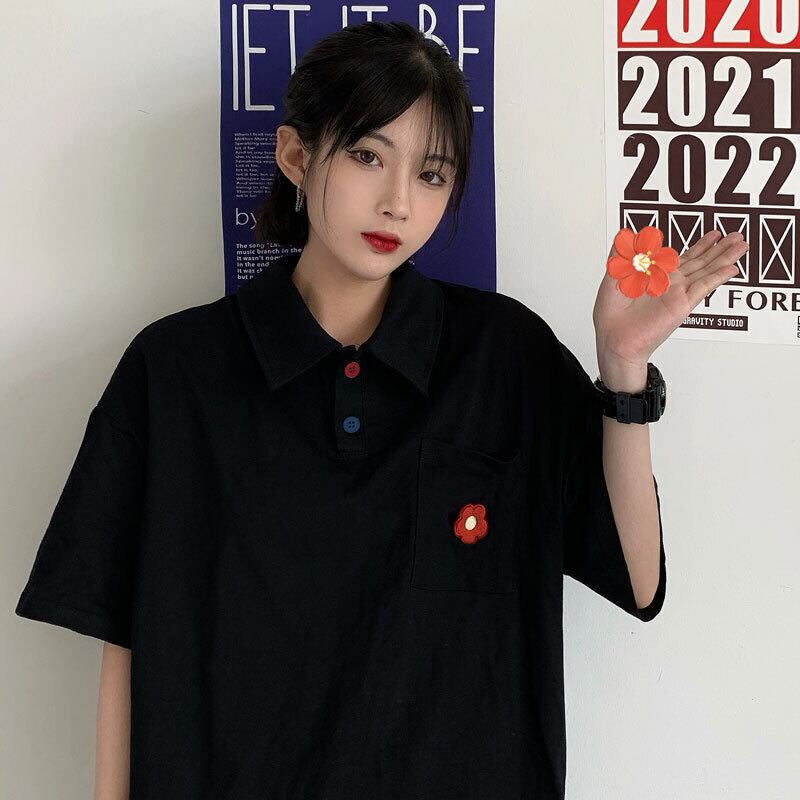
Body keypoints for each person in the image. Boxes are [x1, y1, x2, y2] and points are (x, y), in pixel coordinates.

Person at [17, 17, 746, 799]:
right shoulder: (174, 372)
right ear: (297, 157)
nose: (397, 202)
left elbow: (638, 581)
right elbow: (126, 643)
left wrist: (623, 370)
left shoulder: (506, 356)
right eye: (368, 156)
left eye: (431, 175)